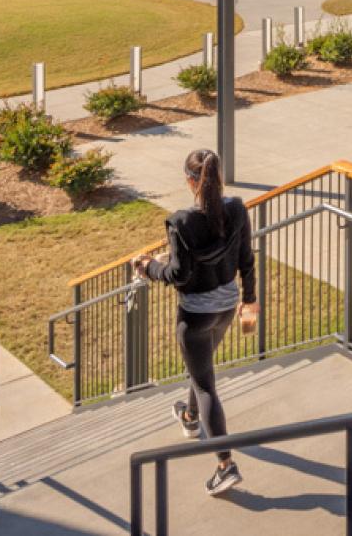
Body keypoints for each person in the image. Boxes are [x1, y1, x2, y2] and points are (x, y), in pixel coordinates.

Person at [135, 148, 260, 497]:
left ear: (191, 180)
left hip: (195, 314)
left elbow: (179, 273)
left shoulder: (181, 222)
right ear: (217, 178)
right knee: (200, 368)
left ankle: (225, 465)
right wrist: (249, 299)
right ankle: (190, 417)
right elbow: (247, 259)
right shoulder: (236, 208)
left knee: (206, 384)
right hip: (227, 305)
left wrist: (147, 268)